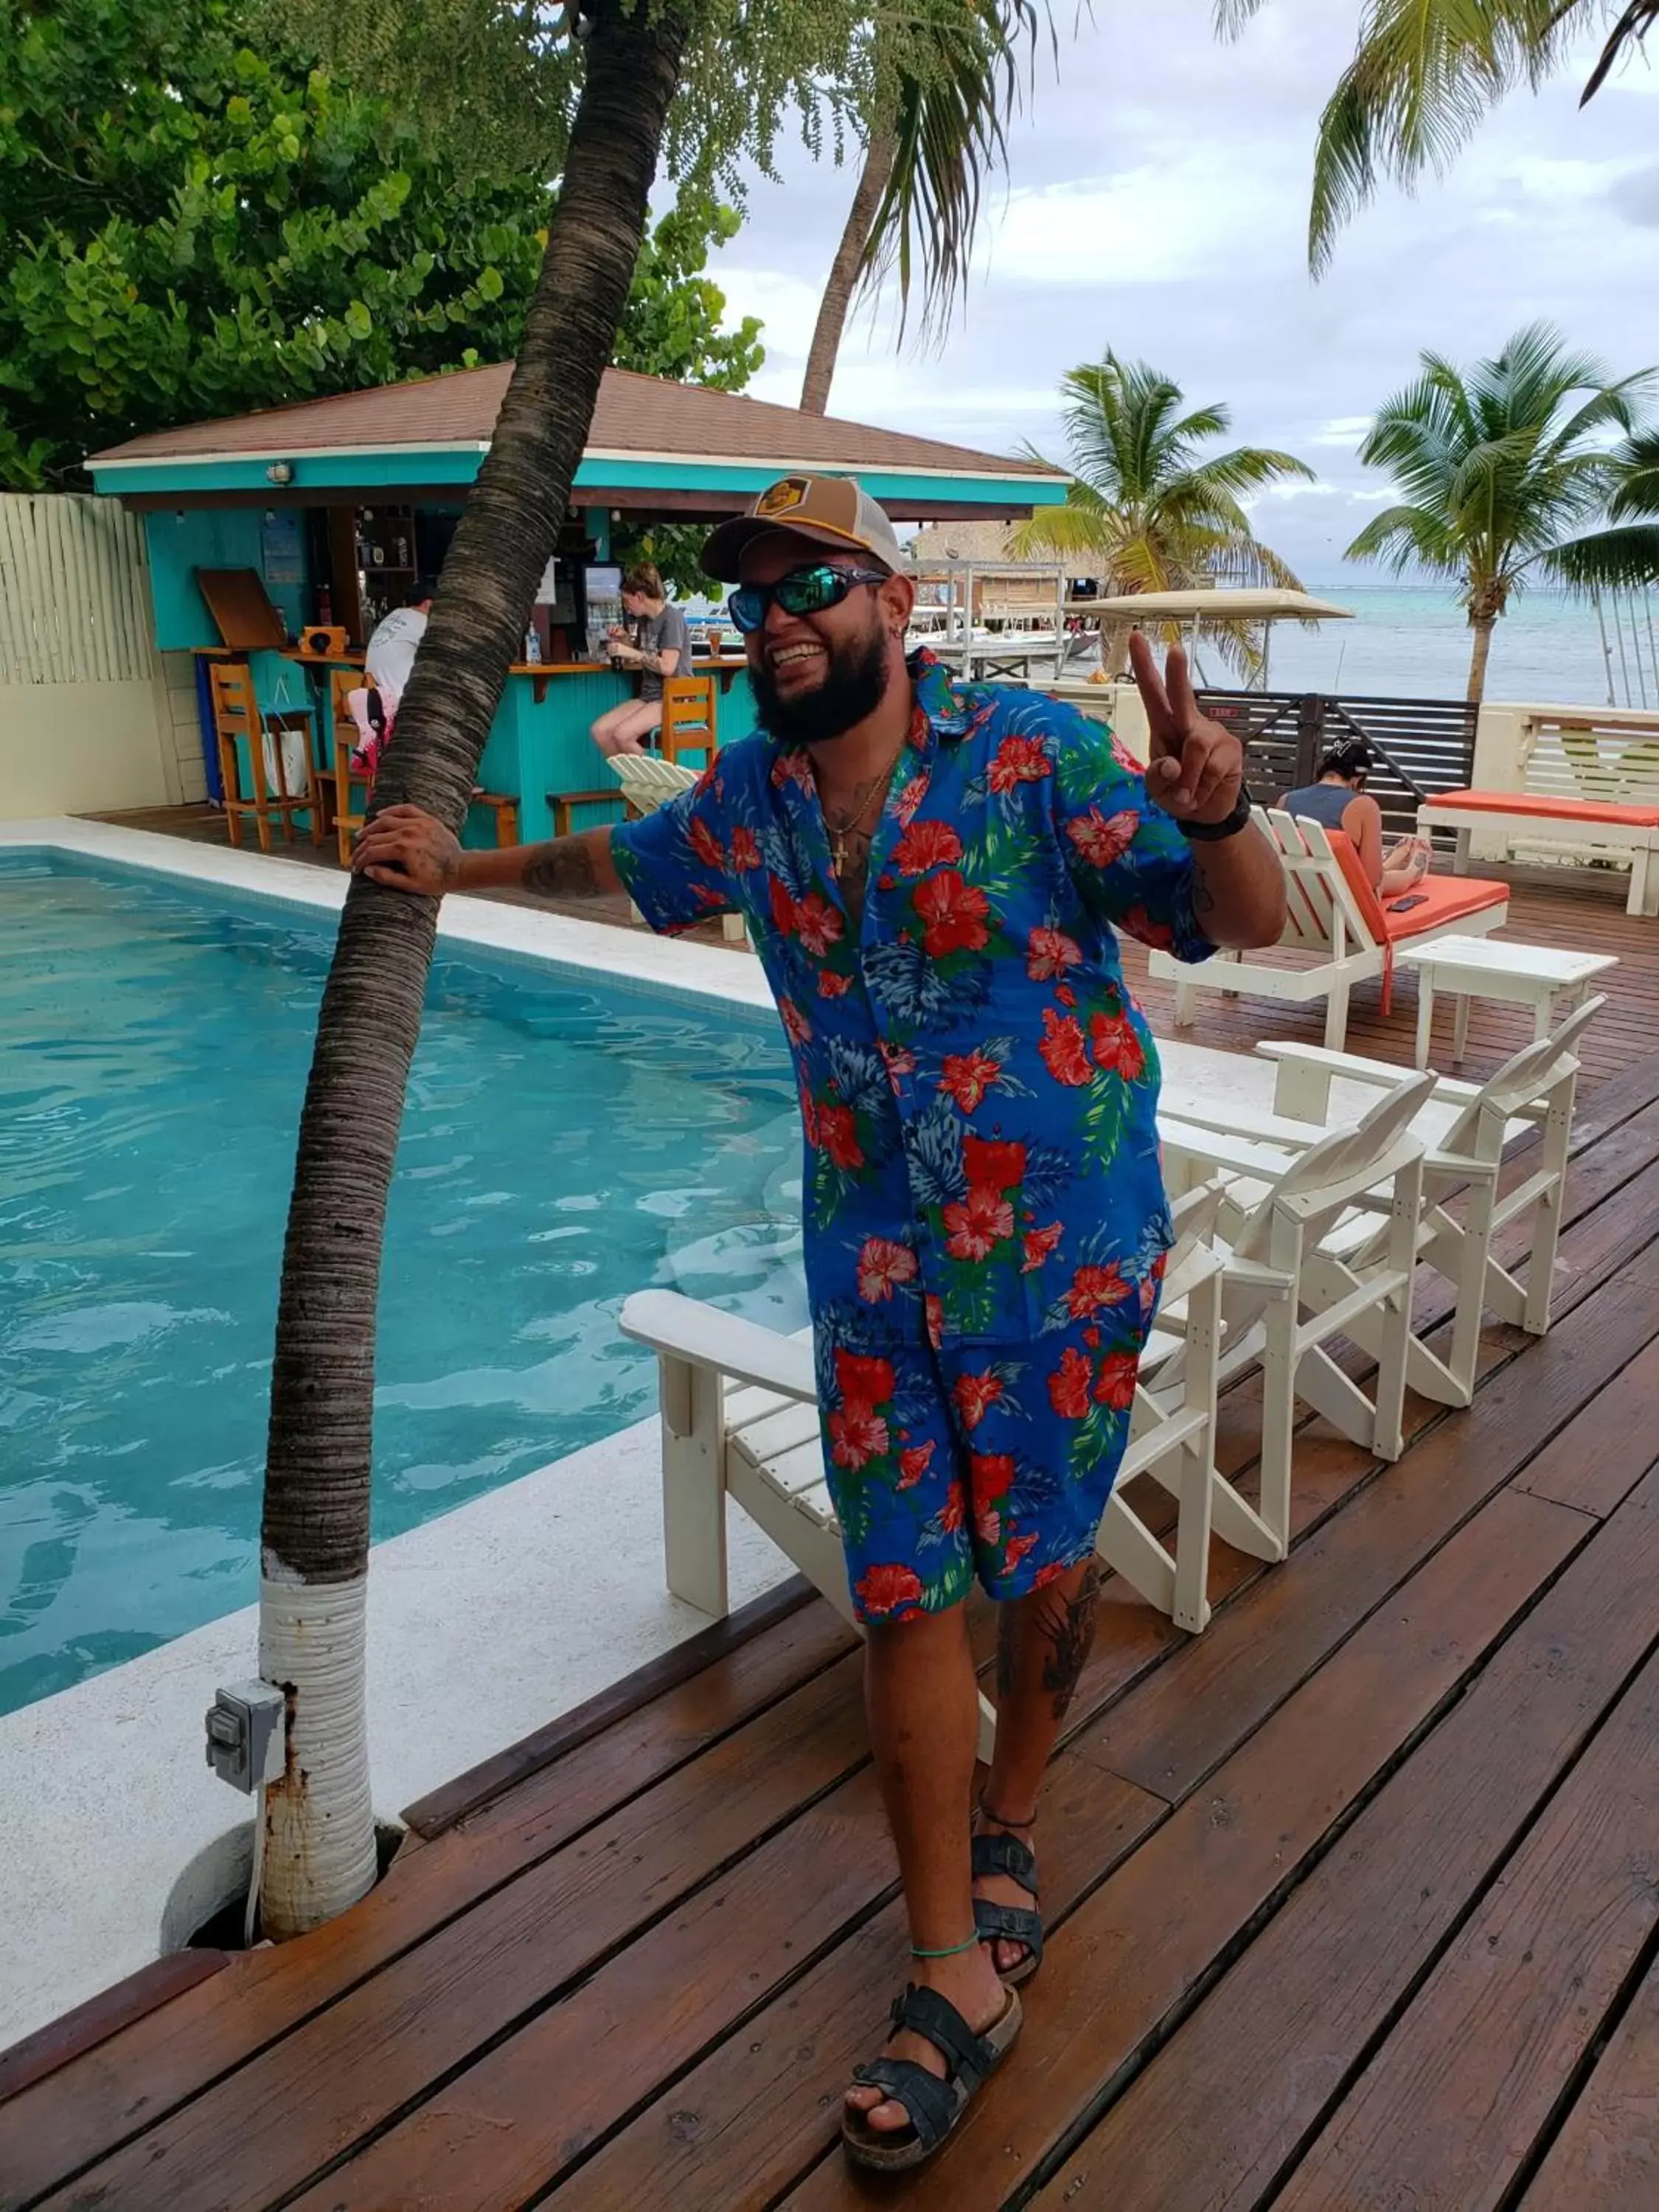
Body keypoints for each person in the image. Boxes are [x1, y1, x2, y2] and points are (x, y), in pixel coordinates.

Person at [352, 473, 1287, 2171]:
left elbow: (1238, 922)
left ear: (894, 606)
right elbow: (610, 859)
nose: (780, 622)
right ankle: (951, 1967)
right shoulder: (752, 803)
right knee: (901, 1589)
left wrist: (1224, 810)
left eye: (818, 588)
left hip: (1062, 1254)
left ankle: (1015, 1815)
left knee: (1045, 1562)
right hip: (867, 1257)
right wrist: (446, 863)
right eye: (757, 601)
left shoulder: (1029, 757)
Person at [1283, 736, 1430, 898]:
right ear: (1358, 777)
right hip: (1340, 902)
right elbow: (1371, 882)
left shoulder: (1285, 800)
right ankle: (1413, 872)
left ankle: (1390, 862)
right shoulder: (1363, 806)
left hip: (1295, 896)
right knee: (1379, 882)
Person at [589, 562, 691, 758]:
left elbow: (668, 667)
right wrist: (625, 641)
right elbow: (645, 656)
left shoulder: (672, 618)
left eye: (627, 602)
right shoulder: (645, 622)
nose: (627, 609)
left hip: (675, 698)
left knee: (622, 735)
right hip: (650, 696)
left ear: (640, 596)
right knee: (600, 731)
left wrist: (630, 653)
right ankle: (638, 784)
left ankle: (662, 782)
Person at [347, 580, 435, 782]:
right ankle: (446, 783)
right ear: (429, 605)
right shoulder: (421, 622)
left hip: (375, 702)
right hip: (397, 705)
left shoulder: (394, 616)